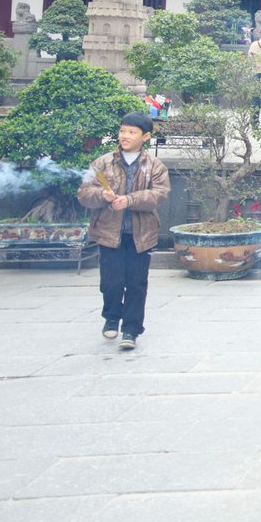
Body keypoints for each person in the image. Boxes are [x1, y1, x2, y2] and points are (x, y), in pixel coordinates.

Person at [76, 112, 172, 351]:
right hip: (109, 232)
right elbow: (84, 193)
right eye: (122, 131)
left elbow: (159, 194)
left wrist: (129, 200)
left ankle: (131, 329)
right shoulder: (102, 163)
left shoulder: (155, 166)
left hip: (141, 234)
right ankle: (111, 316)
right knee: (111, 281)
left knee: (137, 284)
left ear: (146, 136)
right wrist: (102, 195)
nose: (125, 136)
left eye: (131, 132)